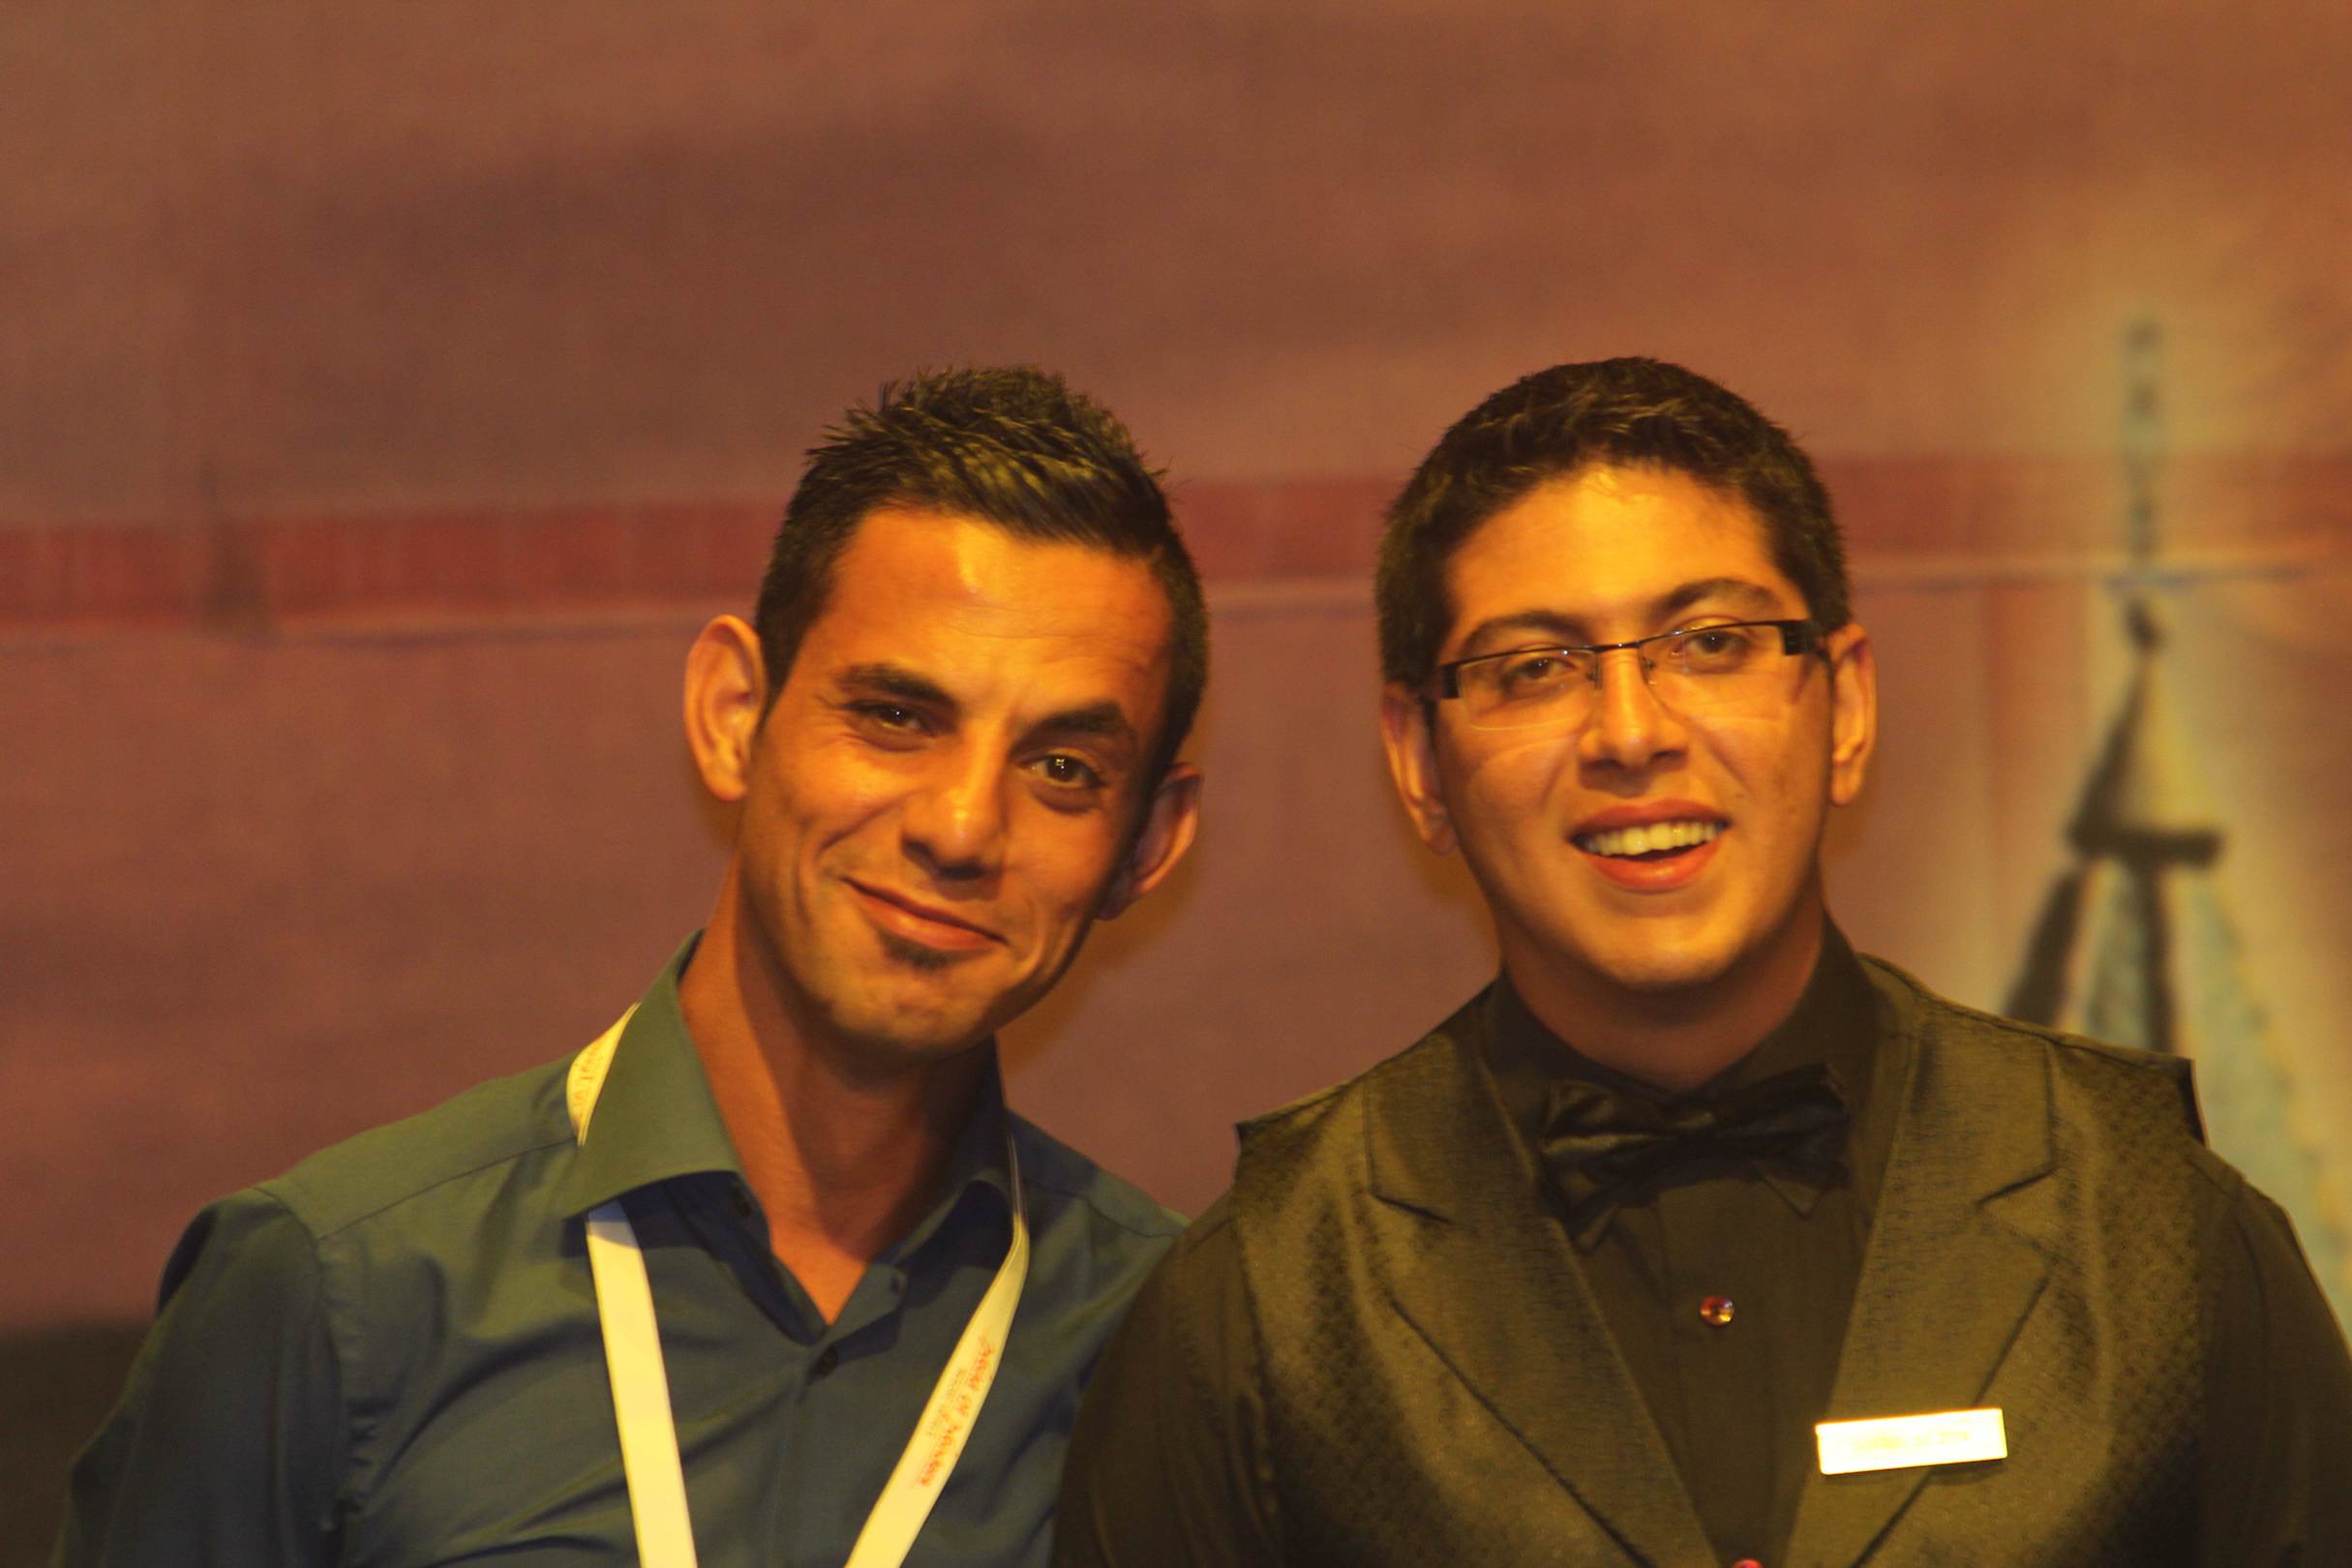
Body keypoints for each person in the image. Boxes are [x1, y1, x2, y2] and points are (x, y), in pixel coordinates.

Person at [1055, 357, 2352, 1567]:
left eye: (1711, 644)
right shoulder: (1260, 1306)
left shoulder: (2162, 1233)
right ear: (1419, 766)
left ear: (1845, 706)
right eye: (1533, 668)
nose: (1631, 733)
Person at [57, 366, 1208, 1568]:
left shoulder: (1174, 1347)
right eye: (896, 717)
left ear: (1146, 846)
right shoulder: (335, 1291)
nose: (962, 827)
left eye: (1063, 769)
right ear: (733, 715)